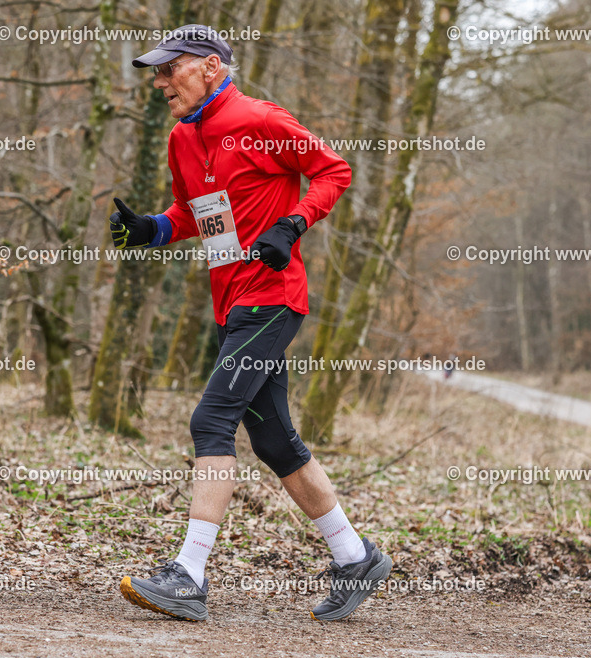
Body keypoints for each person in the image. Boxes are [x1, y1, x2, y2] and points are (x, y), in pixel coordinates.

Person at [110, 25, 391, 622]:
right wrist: (152, 229)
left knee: (211, 421)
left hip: (272, 300)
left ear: (211, 67)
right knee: (273, 440)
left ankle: (188, 575)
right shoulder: (182, 138)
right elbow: (196, 213)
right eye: (156, 73)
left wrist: (293, 224)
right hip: (230, 305)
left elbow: (334, 171)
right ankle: (354, 556)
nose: (160, 82)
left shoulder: (262, 120)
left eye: (170, 69)